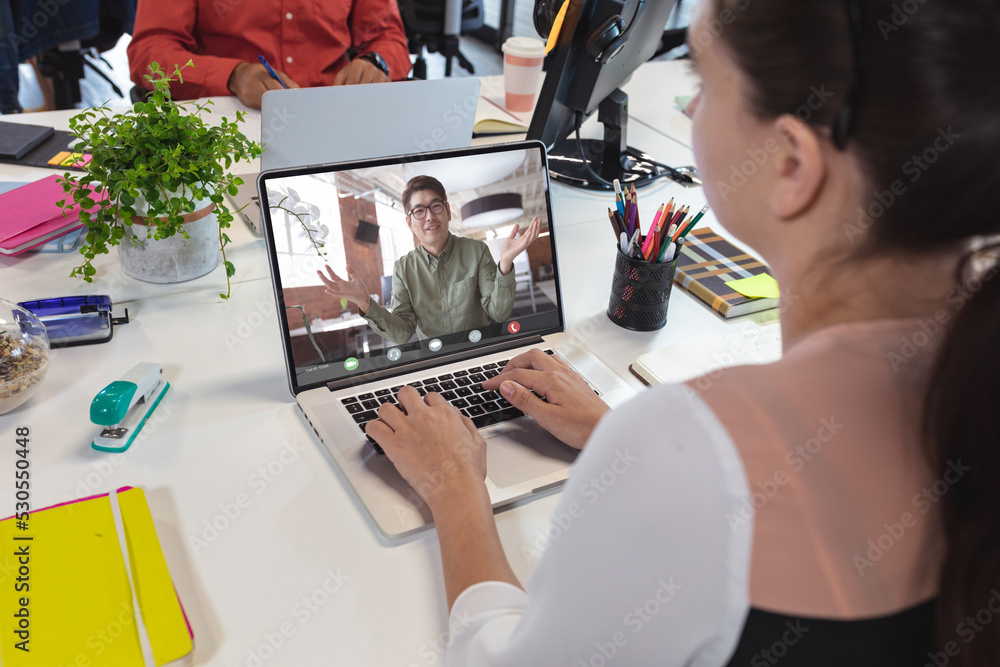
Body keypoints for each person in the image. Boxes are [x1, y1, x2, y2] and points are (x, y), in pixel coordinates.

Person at [362, 0, 1000, 664]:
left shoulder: (684, 453)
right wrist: (623, 436)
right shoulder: (975, 369)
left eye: (702, 84)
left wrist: (454, 486)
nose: (690, 114)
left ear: (790, 165)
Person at [318, 175, 541, 345]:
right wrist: (366, 303)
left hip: (480, 350)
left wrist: (505, 263)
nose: (429, 216)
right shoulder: (403, 269)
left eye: (435, 206)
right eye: (419, 211)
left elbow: (499, 313)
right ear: (409, 223)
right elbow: (403, 333)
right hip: (435, 362)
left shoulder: (476, 251)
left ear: (447, 211)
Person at [126, 1, 411, 109]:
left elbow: (388, 37)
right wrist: (232, 75)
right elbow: (149, 54)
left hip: (333, 114)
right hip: (231, 122)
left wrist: (376, 62)